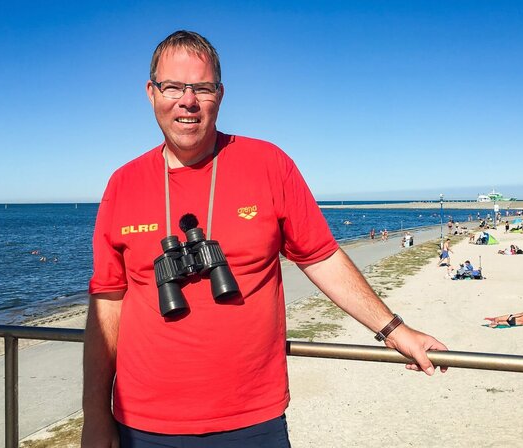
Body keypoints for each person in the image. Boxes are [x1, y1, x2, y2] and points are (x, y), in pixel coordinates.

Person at [82, 30, 447, 448]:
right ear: (151, 92)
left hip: (253, 417)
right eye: (173, 87)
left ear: (220, 94)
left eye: (201, 88)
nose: (187, 101)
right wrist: (95, 414)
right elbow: (107, 303)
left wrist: (396, 330)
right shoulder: (123, 184)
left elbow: (321, 257)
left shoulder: (268, 164)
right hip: (143, 421)